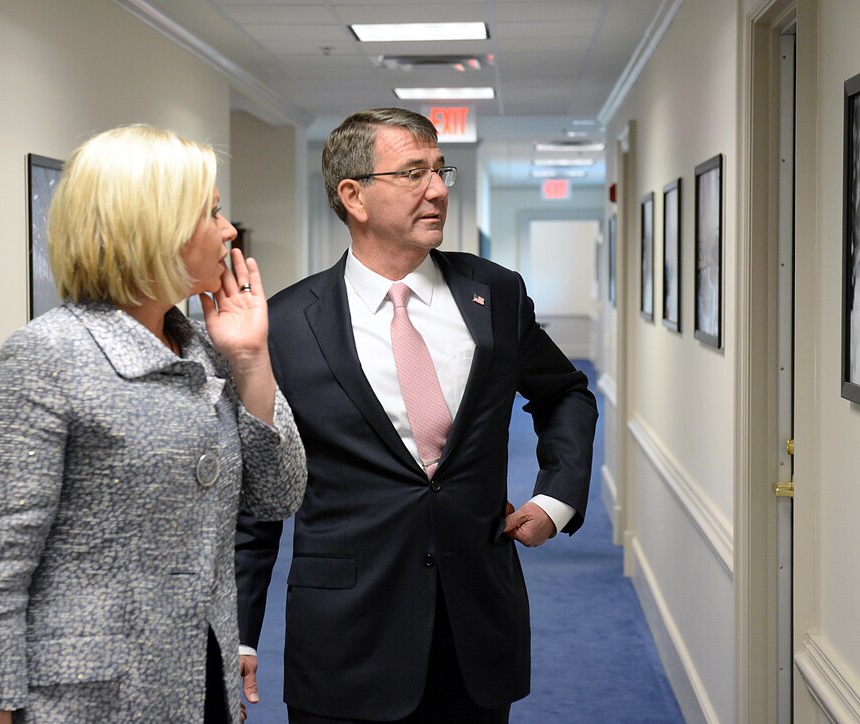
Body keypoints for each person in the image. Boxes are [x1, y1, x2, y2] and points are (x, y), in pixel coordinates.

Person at [235, 108, 598, 723]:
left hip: (477, 624)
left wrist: (554, 500)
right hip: (346, 638)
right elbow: (258, 498)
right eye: (412, 173)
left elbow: (565, 393)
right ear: (354, 195)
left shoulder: (496, 293)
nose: (437, 189)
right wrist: (242, 631)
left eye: (439, 170)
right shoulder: (288, 324)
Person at [0, 124, 307, 724]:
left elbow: (278, 495)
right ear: (153, 226)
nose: (227, 231)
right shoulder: (46, 356)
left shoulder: (204, 349)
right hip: (90, 699)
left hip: (202, 680)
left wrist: (250, 358)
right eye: (211, 213)